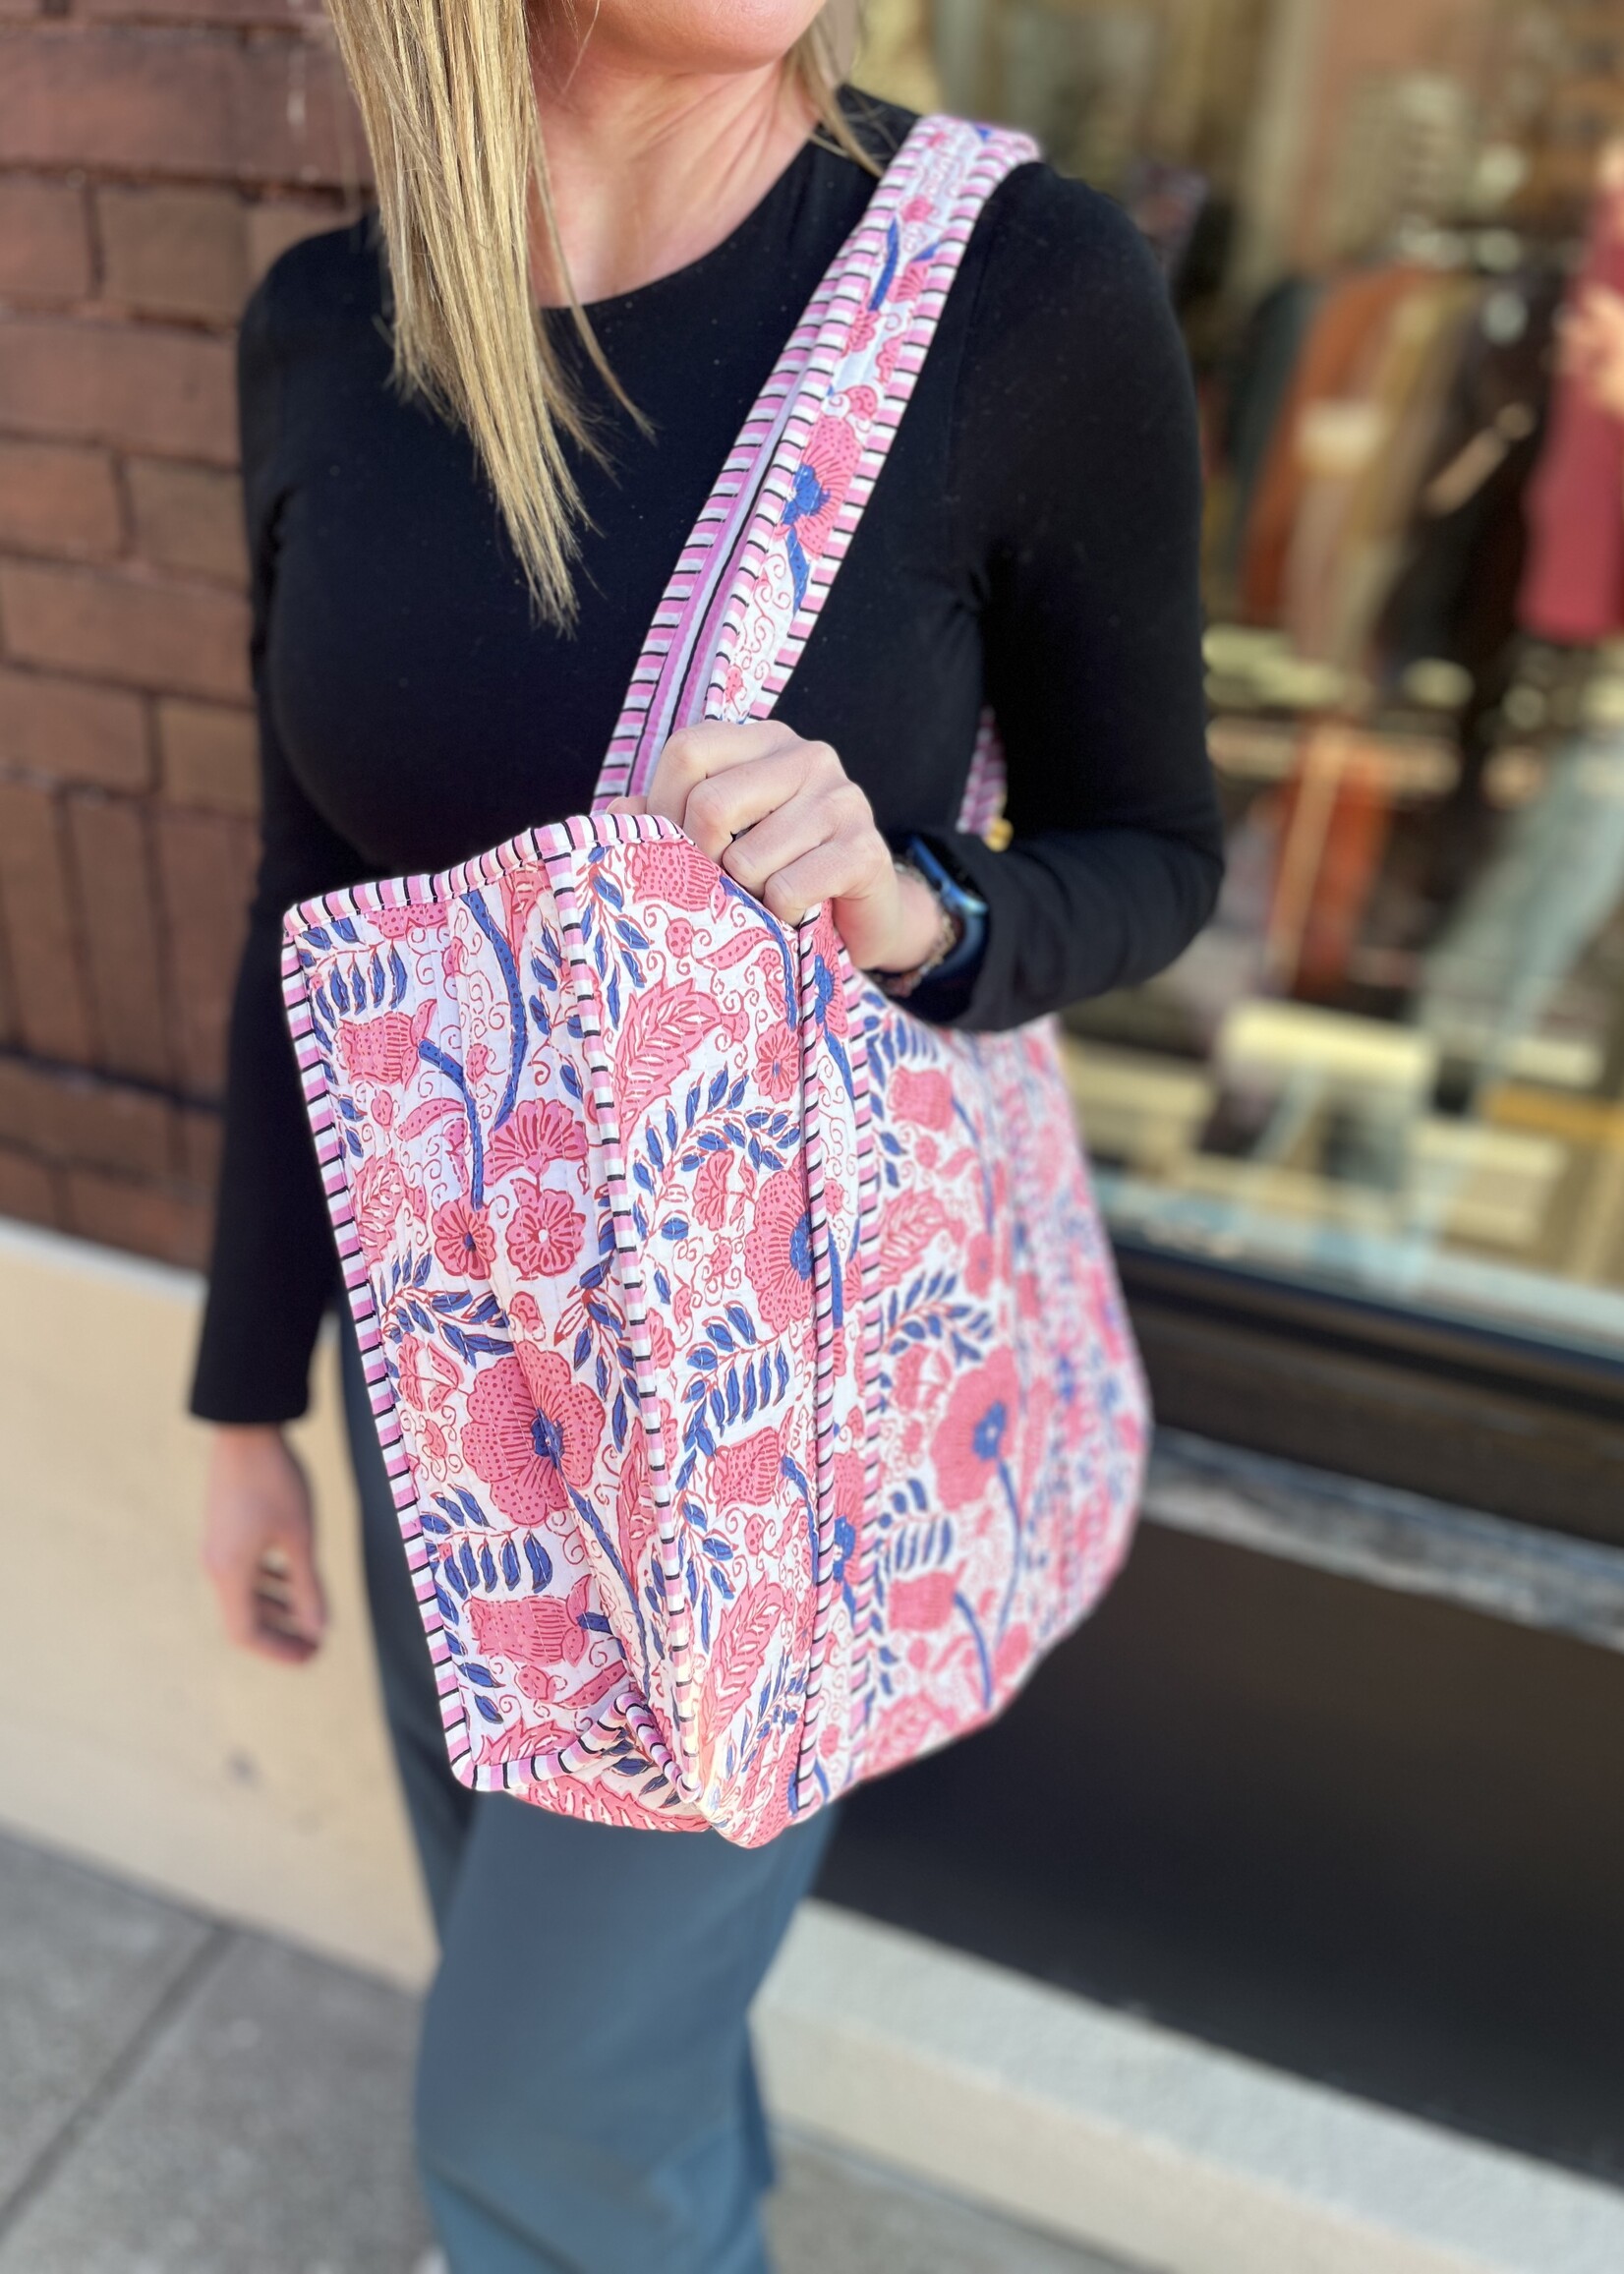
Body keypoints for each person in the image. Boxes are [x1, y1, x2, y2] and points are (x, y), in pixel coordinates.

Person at [190, 6, 1221, 2267]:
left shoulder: (1006, 285)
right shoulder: (326, 332)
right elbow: (308, 903)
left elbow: (1151, 851)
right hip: (442, 1392)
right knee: (600, 2057)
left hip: (775, 1429)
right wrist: (248, 1395)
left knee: (530, 2110)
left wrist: (917, 902)